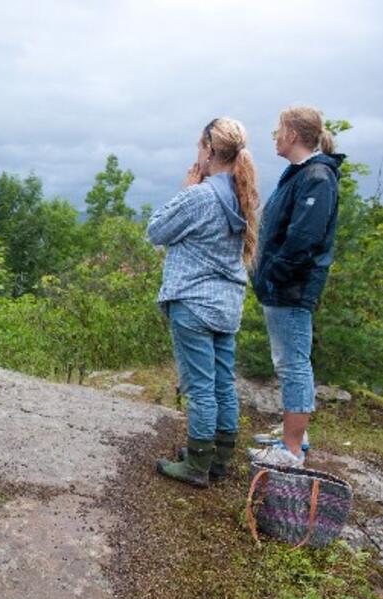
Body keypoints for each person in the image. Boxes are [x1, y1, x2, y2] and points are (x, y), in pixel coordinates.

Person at [148, 117, 259, 487]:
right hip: (226, 304)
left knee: (199, 387)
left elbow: (156, 231)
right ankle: (218, 458)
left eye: (199, 146)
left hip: (193, 302)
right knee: (223, 384)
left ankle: (196, 466)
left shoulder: (200, 195)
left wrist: (187, 187)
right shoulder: (242, 195)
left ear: (209, 150)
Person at [248, 106, 343, 468]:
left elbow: (303, 238)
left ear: (292, 135)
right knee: (287, 361)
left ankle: (290, 450)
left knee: (293, 364)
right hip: (283, 286)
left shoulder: (317, 177)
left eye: (278, 130)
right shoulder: (302, 174)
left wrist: (273, 274)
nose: (275, 136)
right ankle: (293, 435)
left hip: (291, 287)